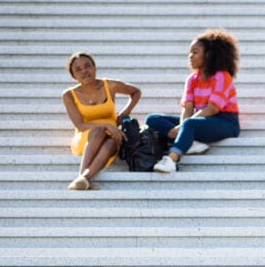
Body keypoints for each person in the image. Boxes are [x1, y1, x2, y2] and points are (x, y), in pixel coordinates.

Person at [147, 28, 241, 173]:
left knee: (189, 123)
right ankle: (190, 142)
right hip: (202, 120)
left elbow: (212, 109)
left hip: (226, 122)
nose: (190, 57)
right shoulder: (192, 79)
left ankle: (171, 159)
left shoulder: (222, 76)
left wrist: (183, 126)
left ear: (209, 55)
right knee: (152, 118)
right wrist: (182, 126)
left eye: (195, 52)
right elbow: (188, 108)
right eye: (190, 52)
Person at [62, 52, 141, 190]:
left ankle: (83, 179)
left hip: (112, 135)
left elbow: (136, 92)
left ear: (95, 67)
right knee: (98, 130)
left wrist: (125, 113)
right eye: (78, 69)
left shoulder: (109, 85)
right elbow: (80, 125)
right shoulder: (69, 95)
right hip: (86, 137)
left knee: (112, 142)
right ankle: (82, 175)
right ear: (73, 76)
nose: (84, 71)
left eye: (87, 66)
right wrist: (106, 125)